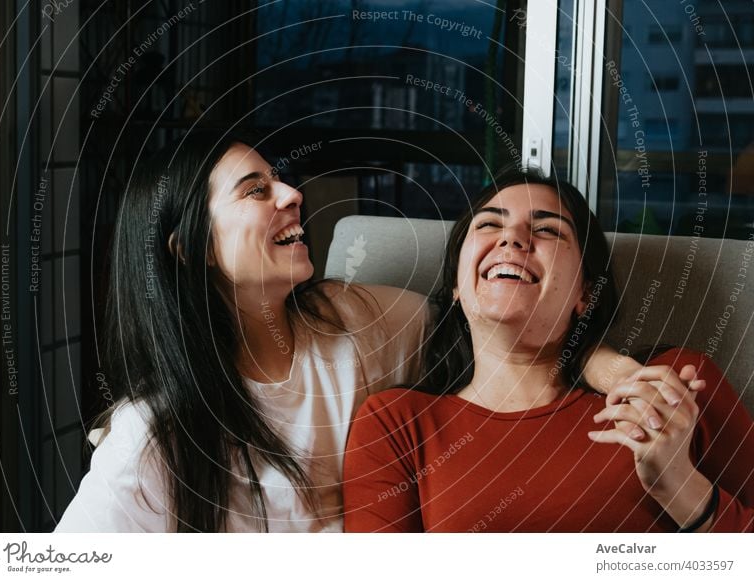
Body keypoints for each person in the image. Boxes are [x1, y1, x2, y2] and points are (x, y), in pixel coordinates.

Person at [56, 134, 691, 532]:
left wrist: (609, 365)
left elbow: (500, 328)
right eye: (256, 190)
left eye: (279, 178)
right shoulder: (149, 438)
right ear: (189, 250)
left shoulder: (356, 321)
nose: (292, 193)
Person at [343, 169, 754, 533]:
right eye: (489, 224)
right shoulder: (397, 423)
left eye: (548, 230)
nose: (512, 237)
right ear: (455, 285)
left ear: (585, 292)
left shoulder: (672, 384)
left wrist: (681, 488)